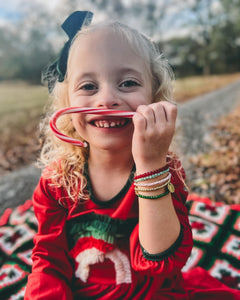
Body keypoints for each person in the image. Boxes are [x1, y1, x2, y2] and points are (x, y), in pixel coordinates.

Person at [24, 11, 239, 300]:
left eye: (127, 83)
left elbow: (160, 260)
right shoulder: (56, 182)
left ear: (154, 99)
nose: (107, 99)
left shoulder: (166, 172)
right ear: (67, 104)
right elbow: (48, 262)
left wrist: (151, 166)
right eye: (88, 86)